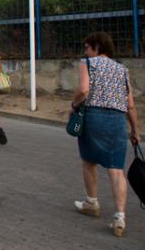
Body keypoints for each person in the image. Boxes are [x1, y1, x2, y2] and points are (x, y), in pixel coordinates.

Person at [70, 32, 139, 237]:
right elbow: (131, 105)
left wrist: (74, 105)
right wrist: (135, 130)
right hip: (118, 120)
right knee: (116, 169)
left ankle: (92, 203)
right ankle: (119, 217)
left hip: (94, 117)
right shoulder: (122, 69)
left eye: (87, 47)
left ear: (96, 47)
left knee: (88, 161)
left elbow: (83, 90)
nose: (85, 51)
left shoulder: (88, 63)